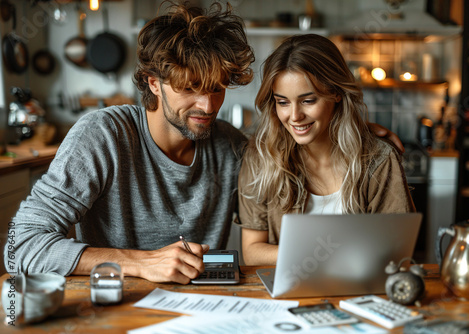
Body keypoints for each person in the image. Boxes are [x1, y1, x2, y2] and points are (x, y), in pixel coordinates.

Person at [5, 3, 402, 283]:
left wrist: (352, 126)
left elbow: (292, 146)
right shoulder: (103, 136)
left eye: (216, 88)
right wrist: (142, 263)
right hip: (116, 307)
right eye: (191, 88)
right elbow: (22, 245)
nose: (208, 105)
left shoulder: (230, 148)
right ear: (153, 82)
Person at [237, 34, 415, 266]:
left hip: (359, 294)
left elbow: (398, 251)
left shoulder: (378, 159)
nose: (294, 116)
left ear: (336, 93)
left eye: (308, 100)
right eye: (282, 102)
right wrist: (317, 256)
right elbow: (252, 253)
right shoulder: (261, 158)